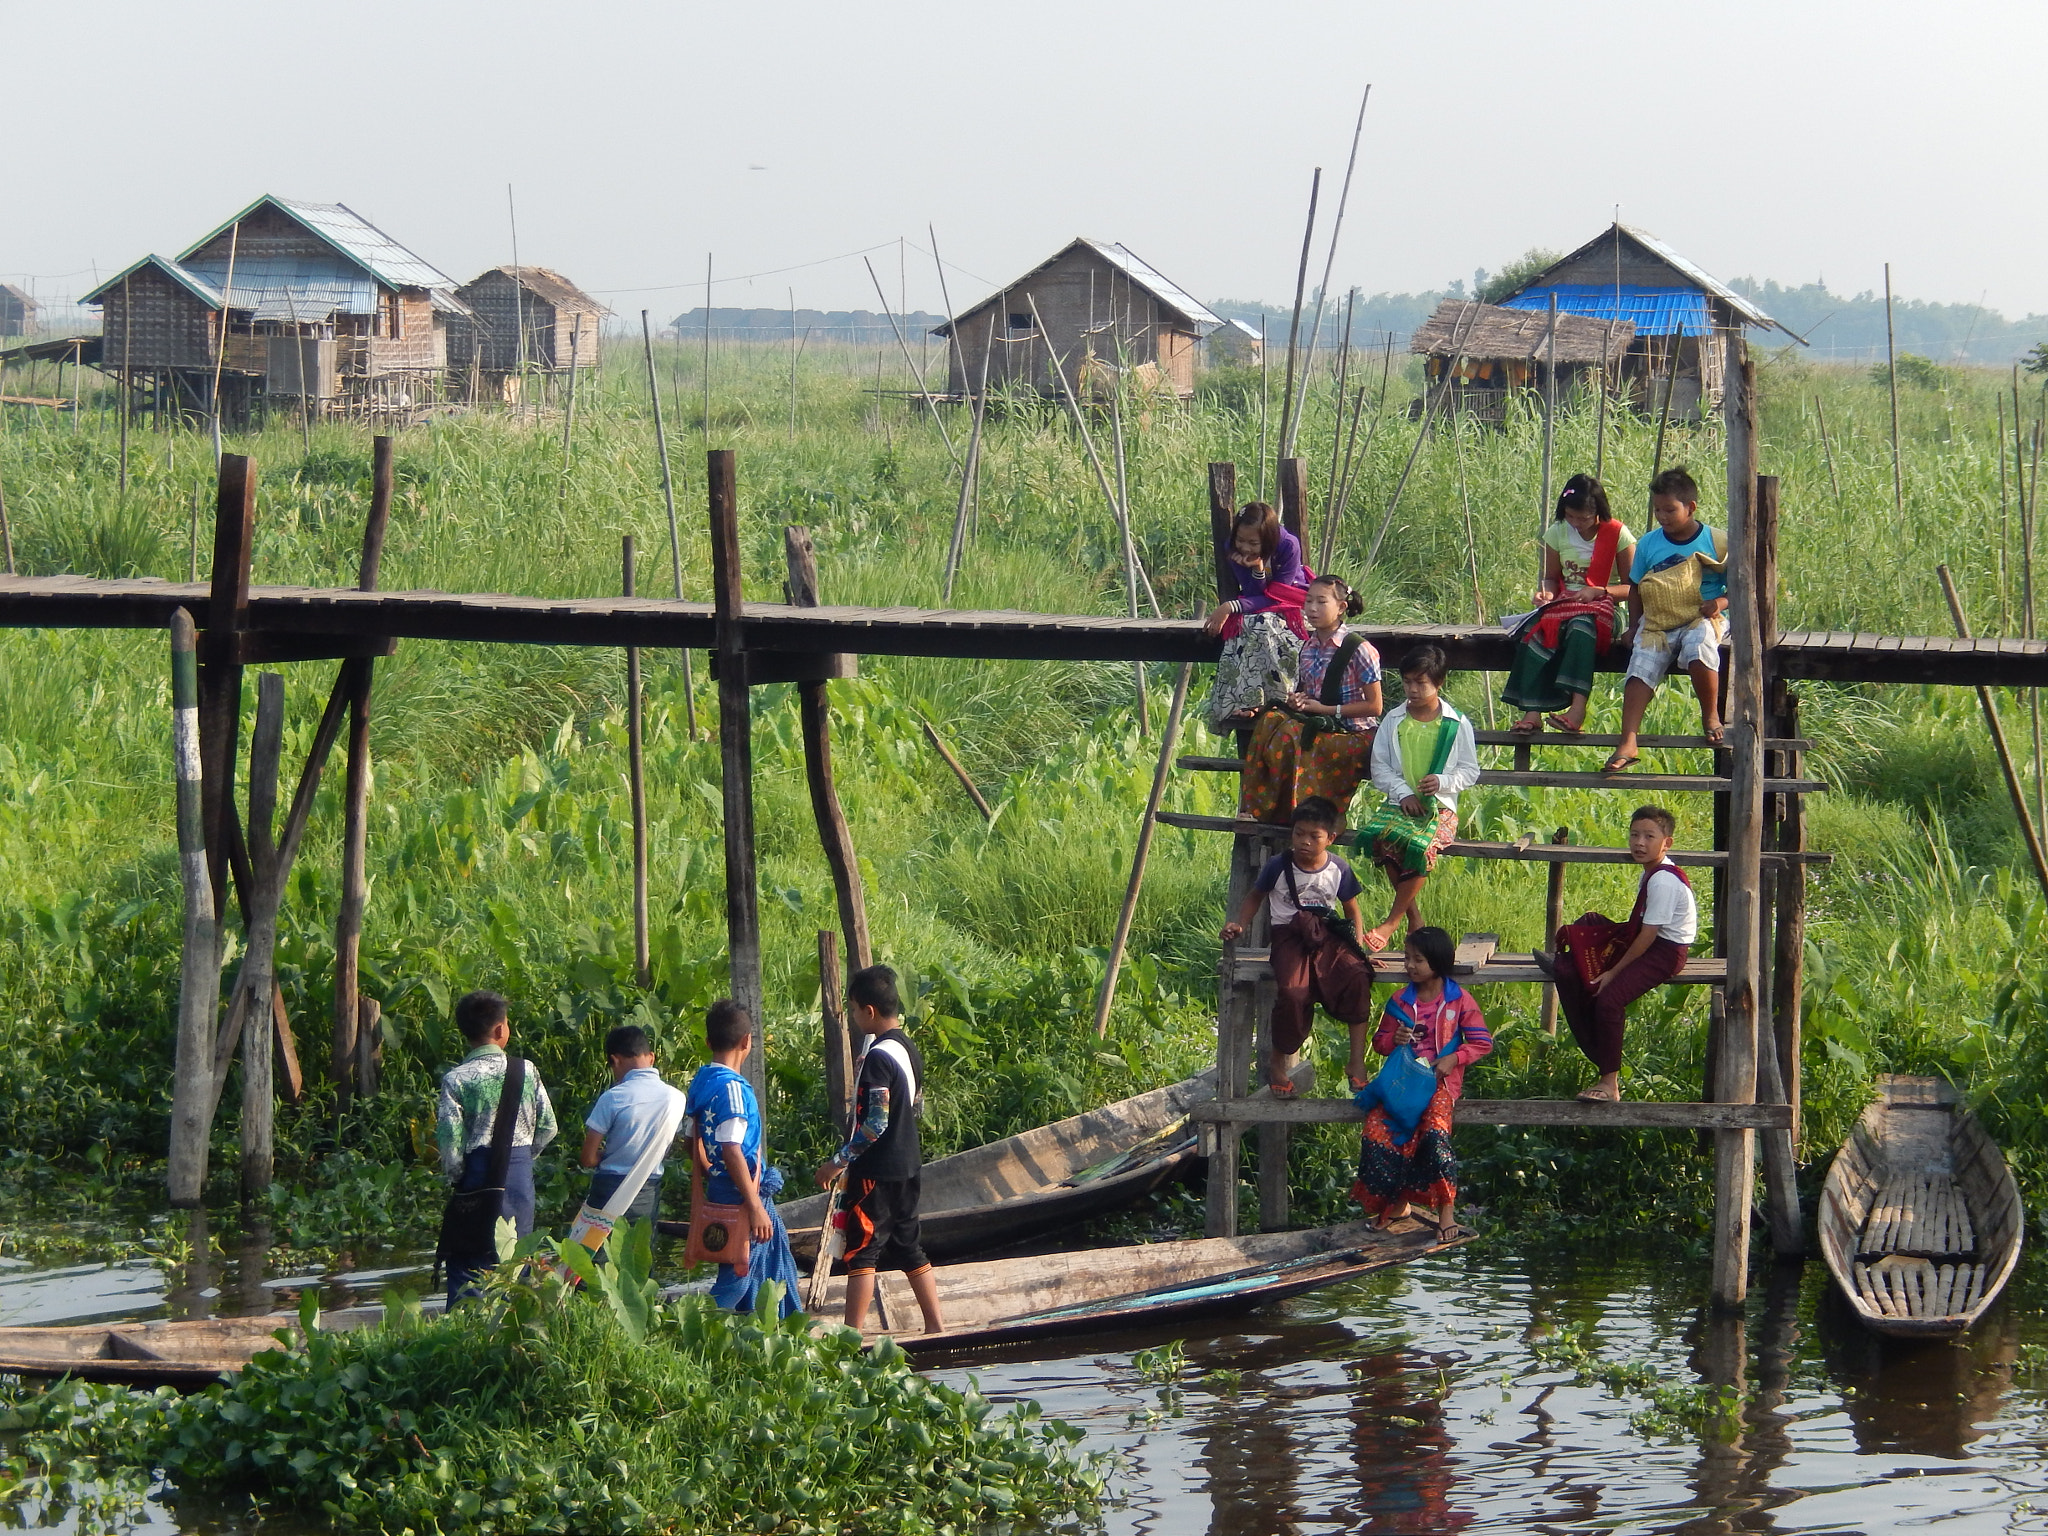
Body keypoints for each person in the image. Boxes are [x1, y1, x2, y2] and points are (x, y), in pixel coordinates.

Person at [813, 965, 945, 1336]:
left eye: (854, 1010)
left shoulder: (878, 1058)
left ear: (868, 1010)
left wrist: (836, 1163)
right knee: (908, 1247)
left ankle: (850, 1338)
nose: (853, 1017)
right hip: (908, 1165)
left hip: (877, 1171)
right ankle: (936, 1327)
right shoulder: (907, 1048)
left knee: (861, 1252)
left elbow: (875, 1123)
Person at [1220, 796, 1377, 1092]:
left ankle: (1356, 1060)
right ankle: (1277, 1065)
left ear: (1330, 838)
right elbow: (1255, 896)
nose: (1304, 842)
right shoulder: (1278, 866)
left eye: (1313, 836)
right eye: (1298, 834)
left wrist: (1360, 949)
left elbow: (1352, 909)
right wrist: (1239, 924)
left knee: (1357, 977)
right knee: (1293, 993)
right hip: (1288, 937)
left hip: (1327, 936)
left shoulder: (1339, 868)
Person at [1541, 805, 1696, 1103]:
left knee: (1609, 1000)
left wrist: (1614, 972)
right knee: (1591, 924)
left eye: (1649, 836)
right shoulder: (1654, 872)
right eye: (1634, 835)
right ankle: (1568, 964)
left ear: (1667, 843)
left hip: (1664, 952)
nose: (1639, 843)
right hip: (1650, 942)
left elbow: (1648, 936)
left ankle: (1609, 1082)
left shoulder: (1663, 880)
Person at [1352, 926, 1492, 1242]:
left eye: (1418, 959)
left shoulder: (1459, 1000)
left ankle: (1446, 1212)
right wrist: (1393, 1039)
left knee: (1434, 1136)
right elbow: (1380, 1043)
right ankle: (1395, 1205)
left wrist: (1453, 1059)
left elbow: (1482, 1042)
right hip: (1402, 1083)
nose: (1410, 965)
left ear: (1438, 962)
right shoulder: (1400, 1000)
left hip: (1440, 1084)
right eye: (1407, 958)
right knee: (1377, 1131)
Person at [1355, 645, 1482, 953]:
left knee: (1419, 845)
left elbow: (1470, 770)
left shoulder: (1455, 723)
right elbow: (1380, 767)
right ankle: (1414, 917)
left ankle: (1392, 921)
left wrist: (1443, 782)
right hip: (1401, 803)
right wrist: (1404, 793)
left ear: (1439, 683)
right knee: (1382, 838)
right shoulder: (1394, 720)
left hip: (1440, 808)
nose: (1413, 689)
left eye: (1421, 683)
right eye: (1408, 681)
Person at [436, 990, 557, 1306]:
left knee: (468, 1255)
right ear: (502, 1030)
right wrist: (521, 1159)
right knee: (517, 1253)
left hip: (476, 1177)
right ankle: (515, 1322)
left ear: (466, 1032)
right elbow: (548, 1127)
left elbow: (450, 1147)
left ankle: (468, 1323)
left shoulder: (455, 1079)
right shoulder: (526, 1071)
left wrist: (459, 1178)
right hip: (518, 1176)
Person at [685, 999, 804, 1317]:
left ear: (709, 1042)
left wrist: (713, 1172)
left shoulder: (701, 1083)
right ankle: (709, 1325)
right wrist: (754, 1207)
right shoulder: (734, 1091)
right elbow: (732, 1149)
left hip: (722, 1190)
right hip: (742, 1196)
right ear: (747, 1041)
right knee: (741, 1269)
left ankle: (746, 1331)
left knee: (738, 1263)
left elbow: (689, 1140)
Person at [1606, 466, 1729, 773]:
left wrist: (1719, 603)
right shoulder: (1648, 543)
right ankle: (1628, 740)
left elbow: (1740, 587)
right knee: (1640, 664)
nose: (1662, 516)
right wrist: (1634, 626)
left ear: (1691, 507)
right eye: (1657, 509)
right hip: (1657, 622)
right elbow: (1635, 587)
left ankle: (1710, 715)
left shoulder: (1717, 541)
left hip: (1699, 617)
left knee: (1700, 646)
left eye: (1670, 510)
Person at [1236, 574, 1384, 825]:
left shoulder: (1359, 649)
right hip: (1321, 722)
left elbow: (1375, 707)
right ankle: (1259, 809)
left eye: (1321, 602)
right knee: (1270, 721)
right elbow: (1308, 692)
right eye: (1308, 601)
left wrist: (1326, 709)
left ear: (1341, 608)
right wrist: (1299, 701)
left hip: (1353, 733)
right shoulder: (1308, 647)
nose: (1312, 609)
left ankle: (1300, 817)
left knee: (1291, 735)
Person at [1503, 474, 1637, 735]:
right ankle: (1532, 711)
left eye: (1584, 518)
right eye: (1571, 517)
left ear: (1598, 511)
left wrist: (1600, 590)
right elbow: (1551, 579)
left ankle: (1577, 708)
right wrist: (1547, 595)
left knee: (1580, 628)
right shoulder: (1557, 532)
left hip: (1605, 607)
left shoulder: (1618, 534)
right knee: (1534, 630)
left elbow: (1632, 587)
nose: (1577, 524)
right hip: (1565, 604)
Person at [1203, 502, 1311, 733]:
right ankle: (1246, 699)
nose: (1245, 547)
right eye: (1241, 540)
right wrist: (1258, 570)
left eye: (1253, 543)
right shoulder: (1232, 548)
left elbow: (1279, 594)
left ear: (1269, 538)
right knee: (1246, 625)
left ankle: (1279, 699)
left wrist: (1230, 606)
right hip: (1257, 605)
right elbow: (1254, 593)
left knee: (1262, 625)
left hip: (1292, 602)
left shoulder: (1288, 545)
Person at [579, 1025, 677, 1227]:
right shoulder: (675, 1098)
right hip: (648, 1189)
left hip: (609, 1190)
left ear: (615, 1060)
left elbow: (587, 1158)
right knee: (638, 1253)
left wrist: (610, 1154)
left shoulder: (613, 1098)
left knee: (595, 1253)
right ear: (651, 1057)